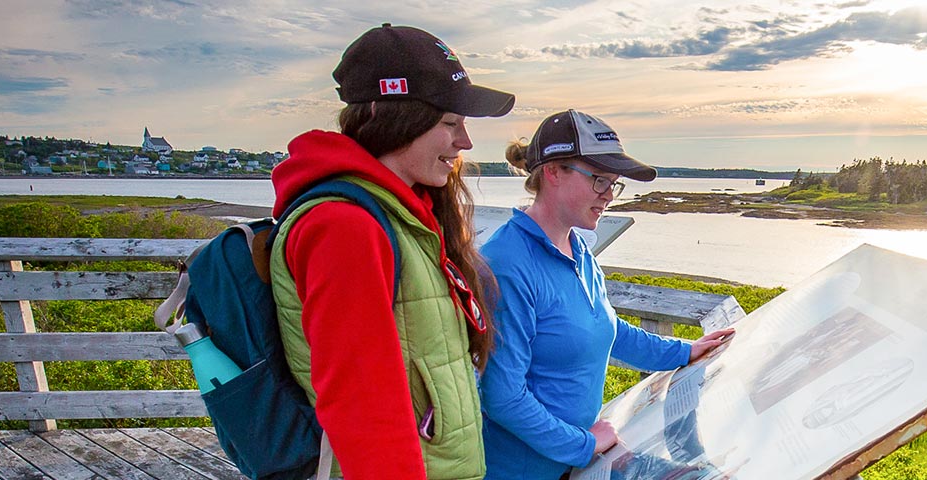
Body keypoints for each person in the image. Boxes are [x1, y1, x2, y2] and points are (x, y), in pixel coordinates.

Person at [267, 23, 513, 479]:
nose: (466, 143)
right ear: (394, 118)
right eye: (450, 124)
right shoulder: (344, 227)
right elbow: (361, 405)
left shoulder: (402, 213)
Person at [479, 110, 735, 479]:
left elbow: (607, 328)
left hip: (579, 462)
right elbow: (503, 397)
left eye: (614, 184)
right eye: (599, 180)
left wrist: (683, 350)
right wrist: (585, 444)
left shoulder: (577, 248)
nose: (608, 196)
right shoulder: (506, 264)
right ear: (553, 171)